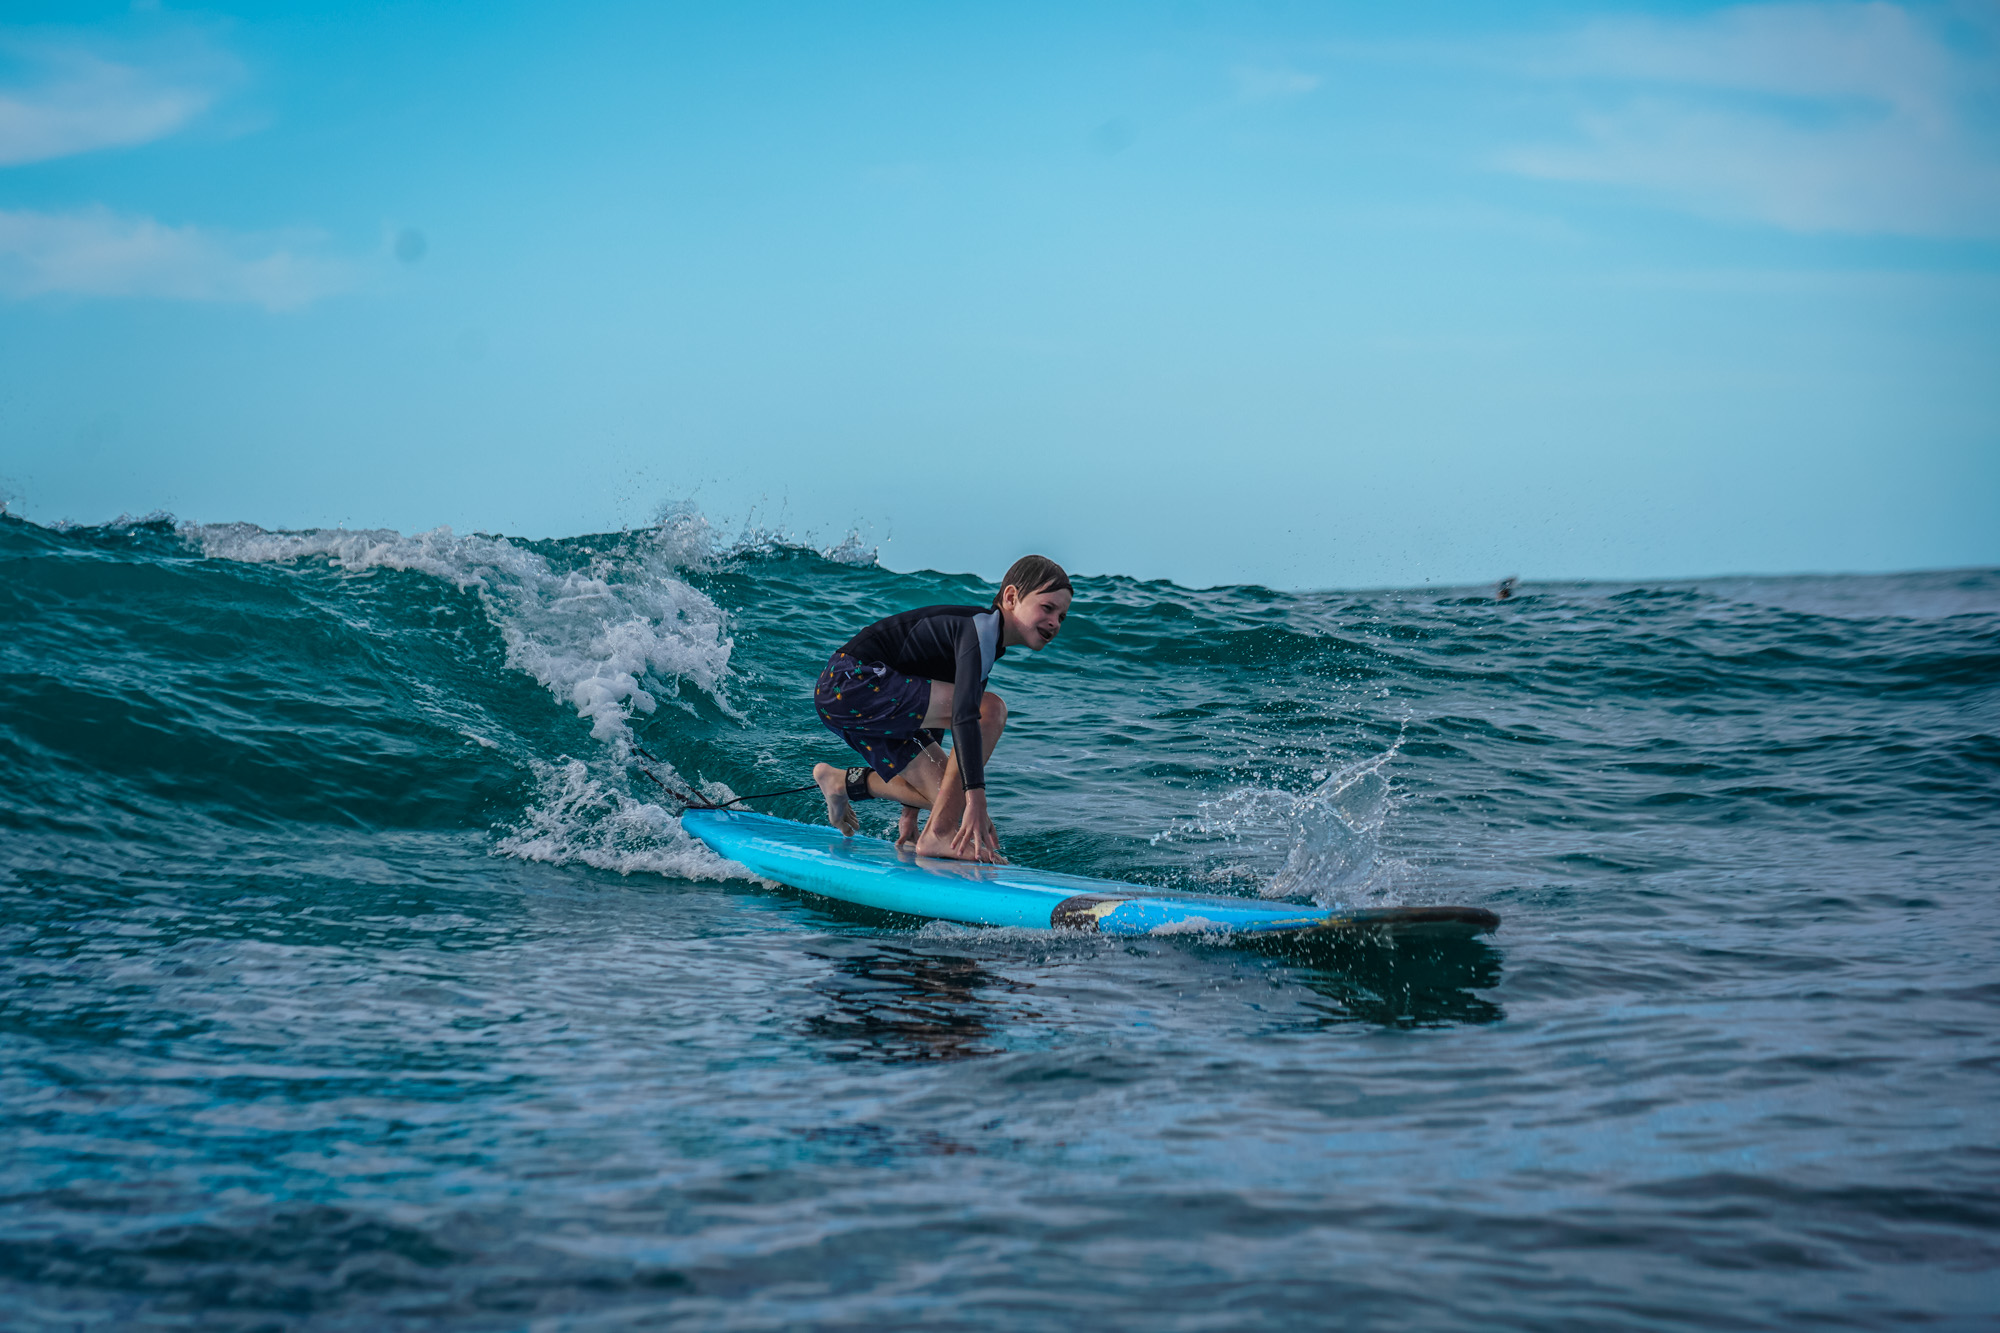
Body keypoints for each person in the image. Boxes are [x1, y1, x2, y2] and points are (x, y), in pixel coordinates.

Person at [811, 555, 1073, 863]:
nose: (1055, 622)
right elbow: (963, 716)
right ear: (1011, 597)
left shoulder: (984, 644)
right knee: (991, 709)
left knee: (946, 796)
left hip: (856, 698)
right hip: (852, 681)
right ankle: (939, 836)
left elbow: (930, 716)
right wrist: (977, 798)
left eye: (1062, 616)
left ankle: (840, 781)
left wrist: (911, 817)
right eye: (1047, 608)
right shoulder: (979, 631)